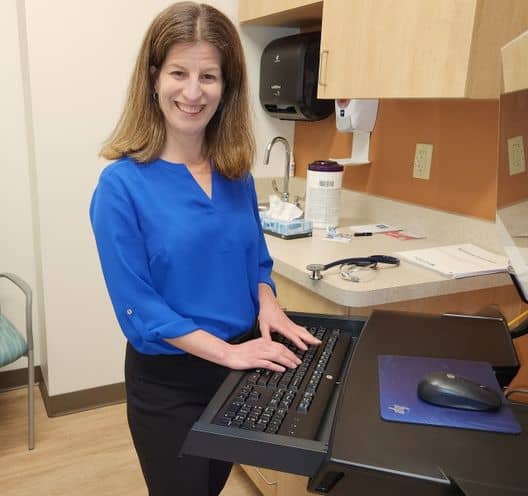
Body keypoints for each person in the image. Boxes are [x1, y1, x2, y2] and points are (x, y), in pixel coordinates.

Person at [89, 3, 320, 495]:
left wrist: (269, 302)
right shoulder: (121, 187)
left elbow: (256, 260)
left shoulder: (234, 174)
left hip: (239, 367)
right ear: (153, 78)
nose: (193, 92)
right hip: (170, 384)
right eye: (179, 72)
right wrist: (227, 355)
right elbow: (141, 310)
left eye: (208, 76)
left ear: (227, 85)